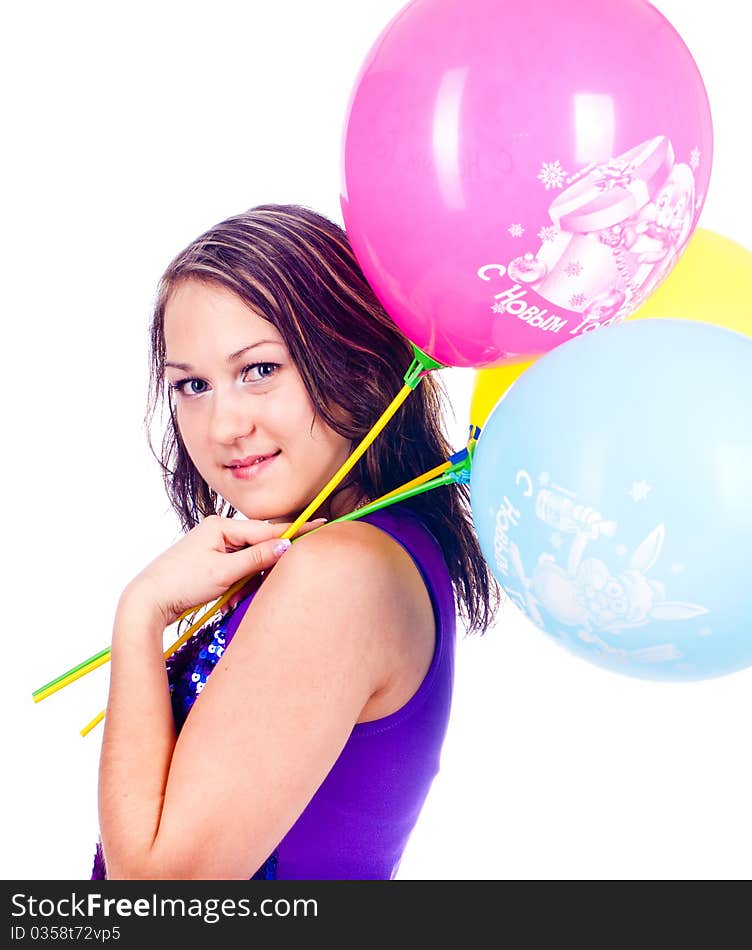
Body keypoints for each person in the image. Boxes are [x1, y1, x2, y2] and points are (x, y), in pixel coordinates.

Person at [89, 203, 499, 880]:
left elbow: (159, 893)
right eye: (192, 385)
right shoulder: (357, 550)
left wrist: (140, 614)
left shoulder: (341, 574)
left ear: (358, 361)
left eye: (258, 370)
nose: (223, 426)